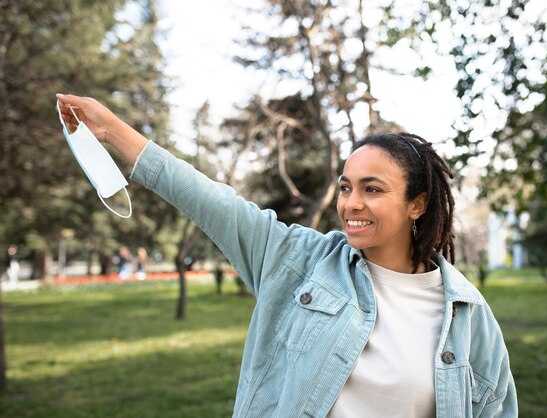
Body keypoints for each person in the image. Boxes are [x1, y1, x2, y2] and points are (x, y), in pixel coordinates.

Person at [56, 93, 517, 417]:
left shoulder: (468, 316)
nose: (351, 204)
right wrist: (110, 129)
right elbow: (207, 198)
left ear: (417, 204)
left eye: (372, 190)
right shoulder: (298, 261)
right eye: (346, 187)